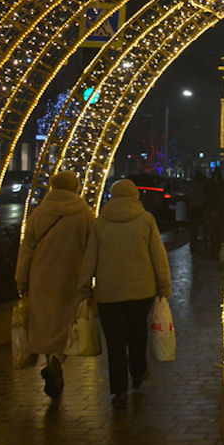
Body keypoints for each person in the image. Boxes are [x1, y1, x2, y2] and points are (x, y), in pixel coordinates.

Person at [79, 178, 172, 408]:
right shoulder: (146, 220)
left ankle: (119, 389)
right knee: (137, 333)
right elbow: (158, 256)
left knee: (115, 342)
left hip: (108, 292)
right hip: (142, 291)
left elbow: (90, 258)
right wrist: (164, 285)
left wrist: (84, 288)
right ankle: (138, 371)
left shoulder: (101, 223)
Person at [15, 170, 95, 399]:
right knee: (67, 323)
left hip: (42, 277)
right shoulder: (85, 215)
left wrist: (22, 279)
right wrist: (90, 280)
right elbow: (91, 250)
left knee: (46, 321)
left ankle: (50, 358)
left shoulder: (39, 213)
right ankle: (56, 360)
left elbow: (26, 249)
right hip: (73, 277)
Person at [186, 171, 207, 250]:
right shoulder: (200, 185)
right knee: (197, 225)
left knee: (193, 226)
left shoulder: (191, 184)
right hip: (198, 206)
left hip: (192, 206)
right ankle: (195, 242)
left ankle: (193, 241)